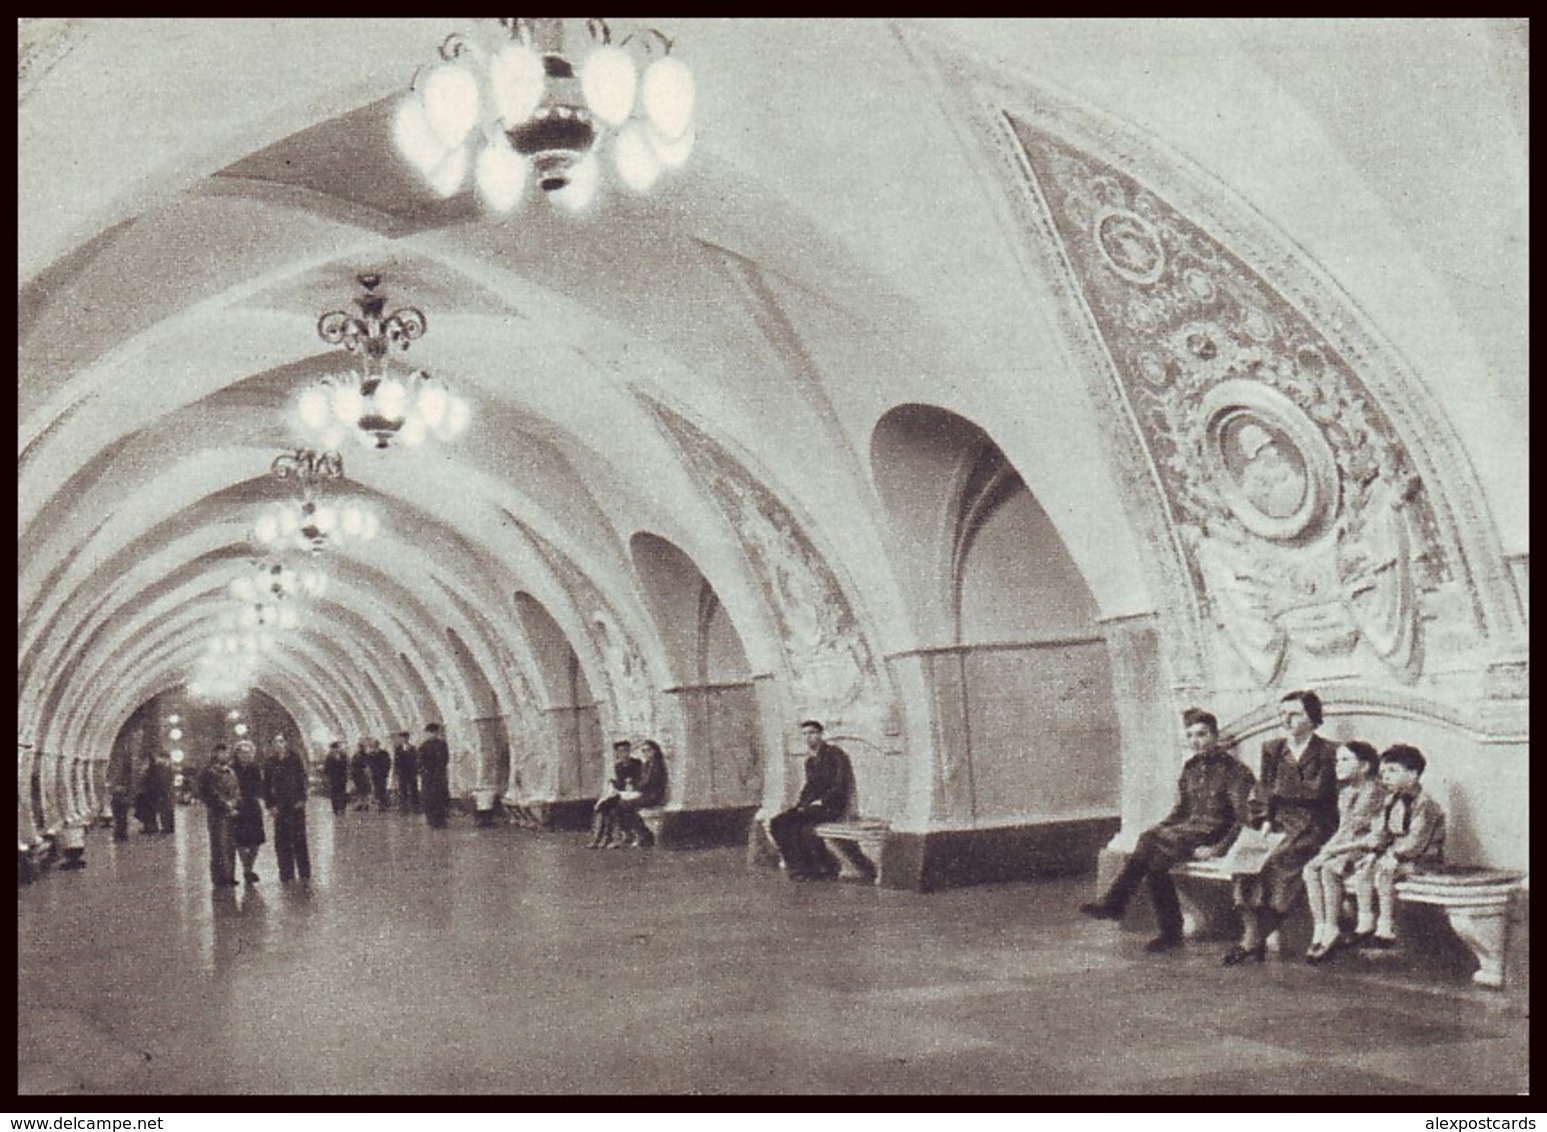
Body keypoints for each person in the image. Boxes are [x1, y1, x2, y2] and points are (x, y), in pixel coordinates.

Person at [1080, 708, 1255, 952]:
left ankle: (1116, 902)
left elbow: (1243, 818)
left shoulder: (1235, 772)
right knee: (1155, 864)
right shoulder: (1191, 768)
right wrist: (1163, 826)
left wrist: (1217, 848)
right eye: (1191, 736)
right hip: (1185, 834)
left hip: (1211, 835)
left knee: (1148, 839)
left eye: (1202, 734)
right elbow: (1181, 809)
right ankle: (1170, 932)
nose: (1196, 741)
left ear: (1215, 736)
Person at [1225, 690, 1339, 966]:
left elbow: (1317, 793)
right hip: (1277, 821)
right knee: (1246, 861)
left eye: (1295, 714)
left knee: (1278, 861)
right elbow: (1263, 788)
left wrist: (1281, 791)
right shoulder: (1273, 748)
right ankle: (1252, 936)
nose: (1286, 720)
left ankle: (1251, 942)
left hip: (1313, 824)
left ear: (1313, 717)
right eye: (1283, 714)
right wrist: (1264, 819)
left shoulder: (1329, 751)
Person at [1348, 745, 1446, 950]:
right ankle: (1365, 920)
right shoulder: (1391, 800)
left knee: (1385, 872)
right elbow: (1382, 831)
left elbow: (1416, 841)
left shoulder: (1426, 805)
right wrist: (1374, 852)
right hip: (1393, 856)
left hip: (1422, 860)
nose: (1386, 777)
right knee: (1365, 867)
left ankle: (1386, 926)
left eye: (1393, 771)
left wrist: (1393, 855)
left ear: (1413, 774)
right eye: (1383, 773)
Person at [1301, 741, 1386, 963]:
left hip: (1365, 848)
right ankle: (1320, 925)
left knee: (1329, 869)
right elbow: (1344, 828)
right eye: (1337, 760)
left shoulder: (1376, 791)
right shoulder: (1346, 792)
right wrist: (1329, 847)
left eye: (1345, 760)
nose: (1338, 765)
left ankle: (1332, 926)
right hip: (1346, 844)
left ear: (1365, 766)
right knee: (1311, 868)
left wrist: (1336, 850)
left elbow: (1374, 834)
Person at [768, 721, 854, 881]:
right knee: (778, 822)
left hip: (831, 806)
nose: (809, 737)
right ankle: (798, 867)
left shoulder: (835, 754)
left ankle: (804, 869)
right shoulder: (810, 761)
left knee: (796, 825)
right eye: (805, 734)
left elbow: (840, 785)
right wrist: (801, 805)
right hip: (813, 807)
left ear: (821, 735)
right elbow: (809, 787)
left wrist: (821, 801)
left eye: (813, 733)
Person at [264, 734, 311, 883]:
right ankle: (286, 873)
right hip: (279, 805)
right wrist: (270, 805)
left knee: (299, 837)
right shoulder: (270, 762)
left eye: (281, 741)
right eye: (276, 742)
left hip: (295, 803)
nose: (279, 744)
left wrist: (302, 799)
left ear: (286, 743)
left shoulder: (295, 760)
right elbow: (266, 785)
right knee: (282, 839)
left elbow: (302, 780)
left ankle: (304, 872)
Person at [196, 743, 240, 888]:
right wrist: (226, 805)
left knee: (230, 845)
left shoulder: (230, 772)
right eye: (221, 753)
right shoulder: (209, 772)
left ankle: (230, 875)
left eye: (225, 753)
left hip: (231, 812)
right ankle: (220, 877)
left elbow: (236, 789)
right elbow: (210, 793)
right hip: (217, 813)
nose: (224, 755)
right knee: (219, 845)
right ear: (215, 754)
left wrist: (234, 802)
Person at [615, 739, 668, 848]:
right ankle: (632, 832)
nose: (646, 753)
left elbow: (648, 783)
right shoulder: (648, 764)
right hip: (647, 794)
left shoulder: (657, 765)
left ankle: (641, 834)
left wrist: (636, 788)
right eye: (643, 751)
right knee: (622, 803)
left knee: (627, 804)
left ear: (655, 751)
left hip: (654, 795)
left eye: (648, 750)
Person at [588, 740, 640, 849]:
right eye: (621, 752)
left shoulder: (637, 764)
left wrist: (627, 784)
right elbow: (620, 784)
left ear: (630, 751)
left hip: (633, 794)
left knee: (613, 809)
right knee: (602, 807)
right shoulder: (619, 767)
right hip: (622, 793)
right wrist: (614, 783)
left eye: (626, 750)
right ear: (617, 754)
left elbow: (639, 781)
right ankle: (598, 838)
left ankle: (610, 838)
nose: (624, 754)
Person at [230, 739, 268, 884]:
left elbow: (260, 786)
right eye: (242, 752)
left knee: (256, 840)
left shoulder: (254, 768)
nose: (245, 755)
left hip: (252, 806)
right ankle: (247, 869)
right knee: (239, 840)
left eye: (248, 752)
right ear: (237, 754)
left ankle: (248, 867)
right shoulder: (231, 768)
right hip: (238, 805)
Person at [418, 723, 451, 829]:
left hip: (434, 776)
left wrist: (428, 771)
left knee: (436, 797)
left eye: (434, 732)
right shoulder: (427, 746)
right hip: (432, 776)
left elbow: (445, 759)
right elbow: (420, 762)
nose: (432, 734)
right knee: (433, 798)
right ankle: (434, 819)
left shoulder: (437, 745)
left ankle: (437, 819)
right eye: (431, 732)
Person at [392, 732, 420, 814]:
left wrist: (416, 771)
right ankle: (403, 808)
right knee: (402, 790)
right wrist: (395, 773)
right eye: (402, 738)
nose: (404, 739)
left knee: (413, 790)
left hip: (411, 772)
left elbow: (416, 760)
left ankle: (415, 808)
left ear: (408, 738)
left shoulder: (413, 748)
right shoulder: (398, 749)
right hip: (402, 773)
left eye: (405, 737)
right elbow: (396, 761)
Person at [322, 741, 350, 816]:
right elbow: (326, 768)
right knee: (334, 793)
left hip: (342, 777)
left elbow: (346, 765)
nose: (335, 750)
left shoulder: (343, 755)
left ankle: (342, 808)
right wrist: (326, 777)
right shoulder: (329, 756)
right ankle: (336, 809)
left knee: (342, 793)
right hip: (333, 778)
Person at [368, 737, 392, 812]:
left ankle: (383, 804)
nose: (374, 746)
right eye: (373, 745)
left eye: (375, 744)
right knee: (376, 789)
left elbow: (388, 763)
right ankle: (379, 804)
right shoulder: (371, 754)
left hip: (382, 774)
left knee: (382, 789)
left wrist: (386, 772)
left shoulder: (384, 753)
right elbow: (369, 764)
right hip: (374, 774)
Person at [350, 740, 373, 812]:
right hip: (357, 775)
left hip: (363, 775)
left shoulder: (366, 755)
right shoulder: (356, 755)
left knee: (364, 790)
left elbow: (368, 765)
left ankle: (365, 804)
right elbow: (352, 765)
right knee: (360, 790)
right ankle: (361, 804)